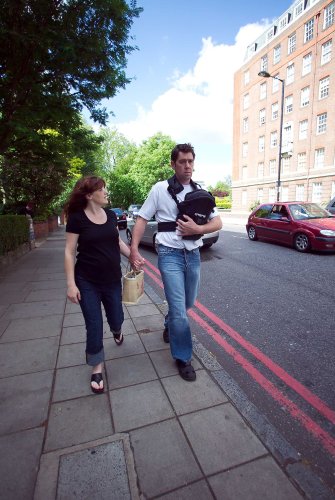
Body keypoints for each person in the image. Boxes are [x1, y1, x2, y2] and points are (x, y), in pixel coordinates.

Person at [129, 143, 222, 381]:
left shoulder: (201, 190)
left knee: (187, 302)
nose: (187, 165)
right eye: (182, 161)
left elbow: (217, 222)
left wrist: (198, 228)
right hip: (169, 253)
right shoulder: (160, 189)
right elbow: (141, 218)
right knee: (180, 310)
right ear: (173, 164)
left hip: (192, 254)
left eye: (190, 161)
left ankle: (169, 324)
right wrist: (133, 250)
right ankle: (183, 357)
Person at [64, 176, 143, 394]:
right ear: (90, 195)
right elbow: (69, 252)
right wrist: (71, 284)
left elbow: (116, 242)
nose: (106, 192)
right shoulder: (77, 219)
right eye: (102, 189)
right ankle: (97, 366)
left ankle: (116, 330)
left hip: (112, 279)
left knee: (116, 317)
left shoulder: (110, 215)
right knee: (94, 324)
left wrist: (133, 257)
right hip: (86, 280)